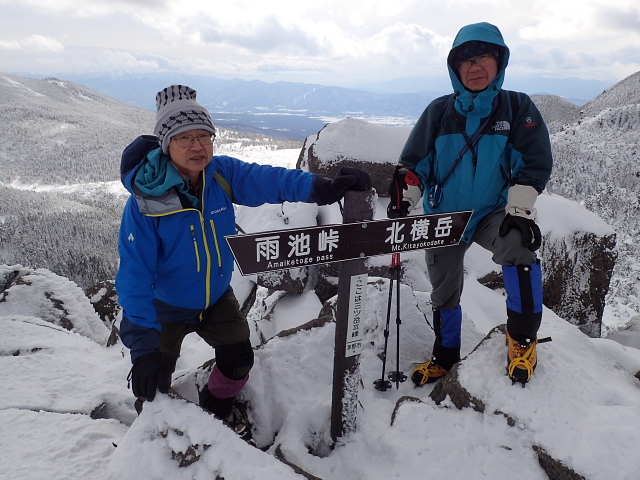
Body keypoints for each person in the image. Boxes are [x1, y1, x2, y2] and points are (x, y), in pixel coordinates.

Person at [116, 84, 371, 440]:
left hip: (215, 297)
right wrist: (143, 345)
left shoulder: (219, 174)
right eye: (185, 138)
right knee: (153, 384)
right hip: (164, 307)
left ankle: (216, 410)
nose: (197, 146)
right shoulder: (147, 201)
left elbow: (267, 179)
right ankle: (150, 443)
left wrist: (322, 188)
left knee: (238, 363)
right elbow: (134, 274)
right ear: (166, 144)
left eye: (205, 136)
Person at [388, 22, 553, 386]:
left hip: (492, 212)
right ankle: (445, 357)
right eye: (465, 61)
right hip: (444, 217)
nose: (474, 67)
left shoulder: (516, 107)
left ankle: (523, 342)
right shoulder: (439, 112)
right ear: (455, 69)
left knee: (518, 245)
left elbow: (534, 163)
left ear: (499, 62)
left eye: (483, 58)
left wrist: (520, 211)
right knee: (444, 290)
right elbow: (415, 167)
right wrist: (406, 197)